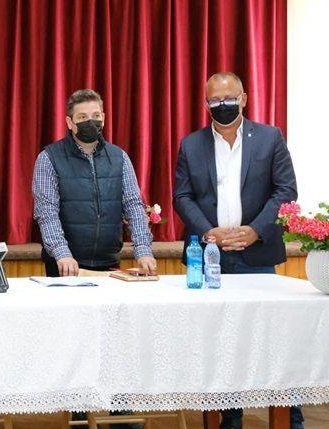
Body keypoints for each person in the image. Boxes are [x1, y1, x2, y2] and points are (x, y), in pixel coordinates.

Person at [173, 72, 301, 429]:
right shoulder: (191, 144)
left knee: (272, 340)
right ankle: (229, 419)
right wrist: (207, 231)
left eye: (229, 98)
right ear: (206, 104)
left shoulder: (270, 137)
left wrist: (255, 230)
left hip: (256, 256)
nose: (223, 105)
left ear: (243, 98)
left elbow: (285, 190)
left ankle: (291, 417)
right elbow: (182, 196)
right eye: (215, 100)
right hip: (209, 257)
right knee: (219, 344)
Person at [33, 89, 156, 278]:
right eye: (82, 117)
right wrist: (62, 253)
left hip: (109, 262)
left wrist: (143, 250)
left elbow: (133, 205)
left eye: (96, 116)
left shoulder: (120, 157)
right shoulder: (49, 158)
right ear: (70, 123)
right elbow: (46, 212)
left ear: (103, 118)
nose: (91, 122)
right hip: (65, 265)